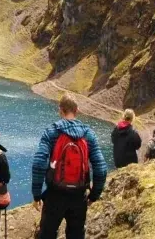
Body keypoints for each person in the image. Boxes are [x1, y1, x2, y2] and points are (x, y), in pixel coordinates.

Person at [32, 93, 108, 239]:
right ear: (77, 110)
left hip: (55, 194)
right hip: (79, 196)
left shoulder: (52, 132)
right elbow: (101, 168)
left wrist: (36, 194)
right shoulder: (88, 134)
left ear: (60, 110)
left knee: (47, 234)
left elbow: (39, 162)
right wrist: (94, 195)